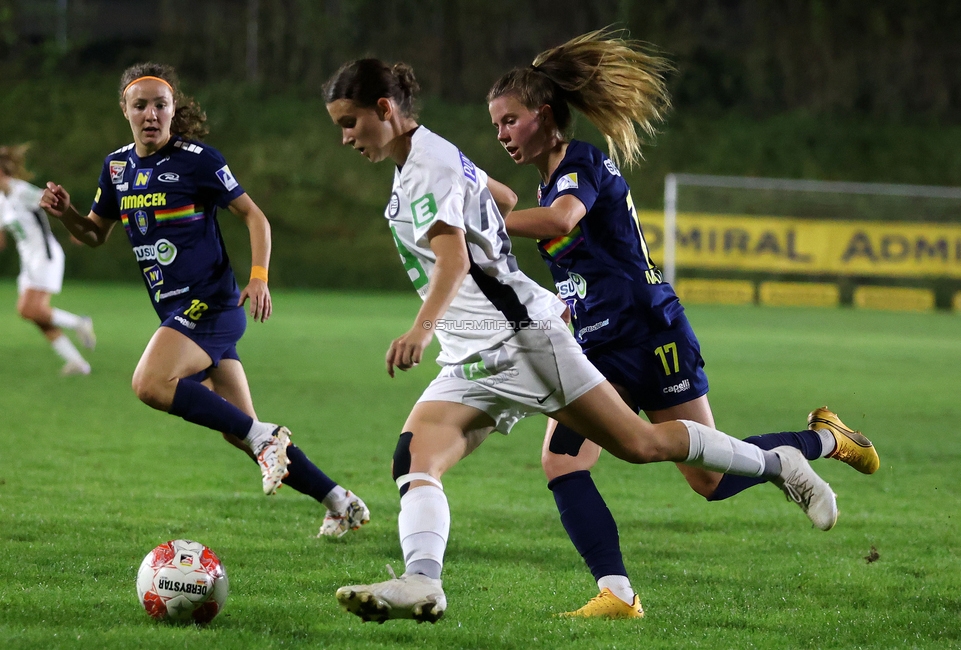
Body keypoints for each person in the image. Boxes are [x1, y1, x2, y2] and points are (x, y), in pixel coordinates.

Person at [323, 57, 844, 625]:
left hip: (525, 340)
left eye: (350, 123)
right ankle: (423, 581)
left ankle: (779, 461)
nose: (346, 138)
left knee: (641, 445)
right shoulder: (429, 161)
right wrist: (482, 228)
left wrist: (419, 329)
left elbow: (459, 253)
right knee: (416, 456)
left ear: (385, 109)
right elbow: (499, 197)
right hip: (478, 348)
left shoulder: (435, 166)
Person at [485, 29, 881, 618]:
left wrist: (486, 219)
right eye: (496, 126)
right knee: (564, 460)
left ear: (544, 115)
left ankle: (823, 441)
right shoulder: (547, 182)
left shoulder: (581, 164)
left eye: (510, 121)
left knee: (709, 480)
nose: (502, 135)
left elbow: (562, 216)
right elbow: (579, 263)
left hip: (650, 334)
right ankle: (617, 593)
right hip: (602, 345)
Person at [39, 62, 369, 538]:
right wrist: (68, 212)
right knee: (238, 428)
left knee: (151, 383)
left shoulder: (198, 159)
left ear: (173, 109)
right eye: (140, 105)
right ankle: (340, 501)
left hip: (212, 305)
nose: (151, 114)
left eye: (160, 104)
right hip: (176, 310)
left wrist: (258, 277)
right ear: (125, 110)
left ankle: (266, 439)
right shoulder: (116, 168)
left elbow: (255, 217)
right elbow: (93, 235)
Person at [0, 144, 96, 376]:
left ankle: (79, 323)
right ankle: (78, 364)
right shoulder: (1, 199)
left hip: (45, 256)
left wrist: (77, 228)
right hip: (29, 261)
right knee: (36, 316)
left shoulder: (21, 190)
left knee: (27, 309)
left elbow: (55, 201)